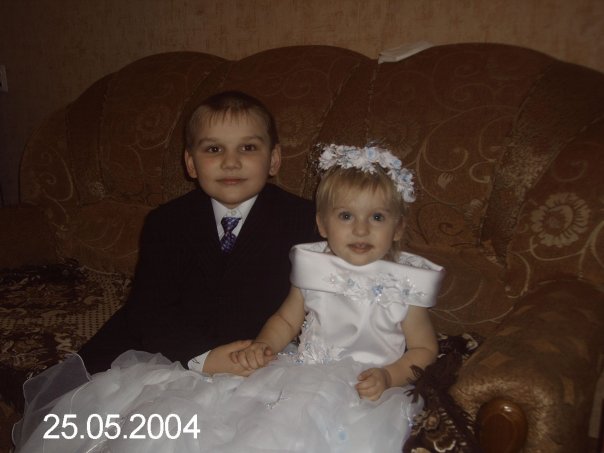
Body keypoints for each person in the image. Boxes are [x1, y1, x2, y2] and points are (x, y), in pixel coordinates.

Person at [13, 144, 444, 453]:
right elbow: (286, 319)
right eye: (346, 216)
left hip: (369, 390)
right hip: (300, 373)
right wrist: (265, 345)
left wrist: (390, 375)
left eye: (377, 217)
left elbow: (425, 349)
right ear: (322, 225)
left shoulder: (404, 285)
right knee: (233, 426)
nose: (361, 229)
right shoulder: (313, 267)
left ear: (398, 228)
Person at [77, 90, 319, 375]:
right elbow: (149, 308)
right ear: (191, 163)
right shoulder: (165, 222)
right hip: (177, 352)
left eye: (248, 147)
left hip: (263, 356)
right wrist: (204, 359)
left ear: (274, 159)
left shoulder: (308, 221)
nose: (231, 162)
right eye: (214, 149)